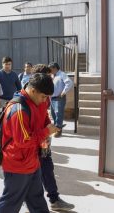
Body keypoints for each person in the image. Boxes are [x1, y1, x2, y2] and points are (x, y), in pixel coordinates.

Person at [0, 73, 59, 213]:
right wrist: (45, 133)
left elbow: (42, 122)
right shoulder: (19, 109)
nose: (45, 101)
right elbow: (22, 141)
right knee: (10, 203)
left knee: (37, 200)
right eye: (43, 97)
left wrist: (47, 131)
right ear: (33, 90)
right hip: (17, 165)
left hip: (32, 162)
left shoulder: (35, 103)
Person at [30, 64, 75, 211]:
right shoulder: (27, 99)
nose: (51, 79)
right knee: (28, 176)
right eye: (48, 77)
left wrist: (50, 128)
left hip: (43, 140)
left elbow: (44, 116)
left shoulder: (45, 96)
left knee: (47, 167)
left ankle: (54, 199)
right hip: (31, 142)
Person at [48, 62, 74, 138]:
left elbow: (69, 82)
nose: (50, 71)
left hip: (59, 98)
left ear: (55, 68)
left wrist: (63, 92)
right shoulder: (53, 75)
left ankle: (58, 130)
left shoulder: (62, 74)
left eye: (51, 69)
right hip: (52, 97)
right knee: (53, 114)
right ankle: (56, 128)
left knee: (58, 114)